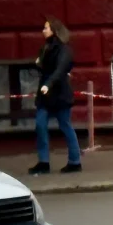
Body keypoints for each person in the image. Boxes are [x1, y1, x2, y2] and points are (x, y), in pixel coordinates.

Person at [28, 17, 82, 175]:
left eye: (46, 28)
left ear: (54, 30)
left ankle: (74, 161)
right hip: (45, 95)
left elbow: (60, 70)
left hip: (59, 93)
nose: (43, 31)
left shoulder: (64, 49)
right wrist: (37, 64)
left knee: (65, 125)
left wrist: (48, 85)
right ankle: (43, 162)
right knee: (40, 125)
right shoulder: (45, 47)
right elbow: (43, 68)